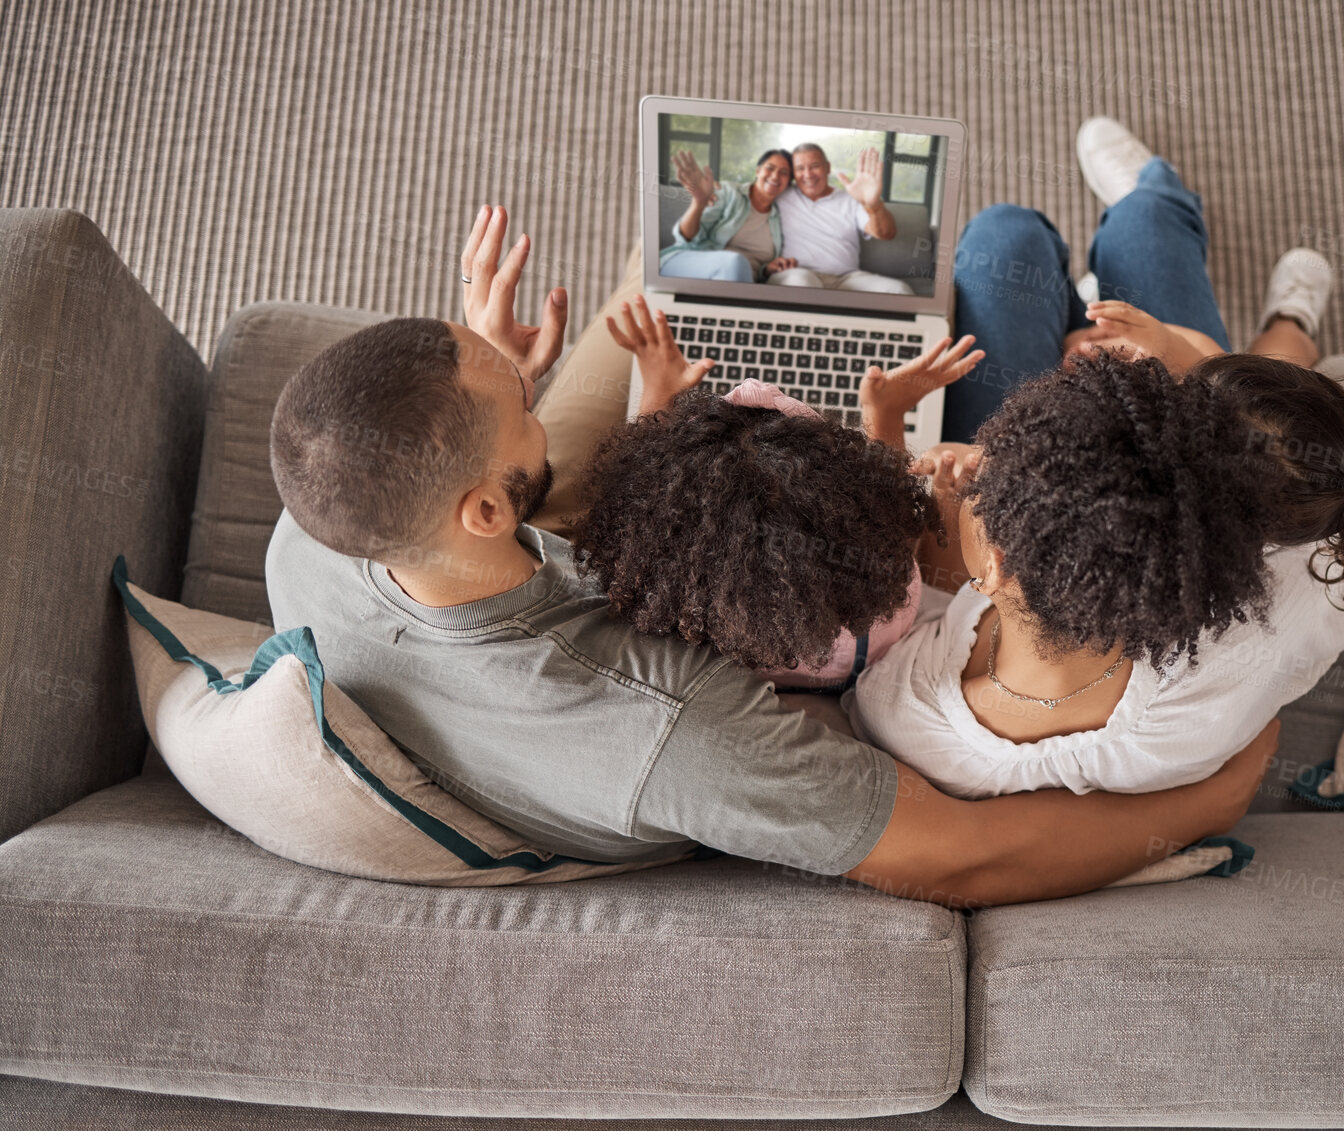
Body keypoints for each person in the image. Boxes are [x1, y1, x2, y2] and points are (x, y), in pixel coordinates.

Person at [260, 202, 1278, 909]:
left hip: (592, 538)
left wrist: (489, 368)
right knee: (1009, 251)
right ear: (488, 509)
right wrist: (1221, 790)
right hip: (673, 614)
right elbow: (970, 860)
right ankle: (1259, 318)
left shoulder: (314, 525)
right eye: (521, 408)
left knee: (675, 269)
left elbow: (413, 459)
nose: (535, 386)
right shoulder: (674, 728)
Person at [848, 349, 1344, 799]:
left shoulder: (905, 716)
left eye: (981, 491)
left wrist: (885, 426)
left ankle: (1285, 327)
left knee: (1012, 236)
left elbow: (927, 581)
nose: (972, 466)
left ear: (995, 570)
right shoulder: (1324, 570)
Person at [574, 295, 984, 692]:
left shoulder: (681, 616)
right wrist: (886, 412)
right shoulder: (880, 595)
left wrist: (658, 395)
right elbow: (894, 530)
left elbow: (650, 506)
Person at [939, 116, 1336, 443]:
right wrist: (1157, 347)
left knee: (1006, 233)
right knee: (1147, 220)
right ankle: (1291, 319)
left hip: (1026, 459)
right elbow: (1220, 383)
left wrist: (1075, 382)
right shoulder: (1237, 449)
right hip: (1166, 420)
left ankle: (1141, 215)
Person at [767, 143, 914, 294]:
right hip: (796, 274)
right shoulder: (780, 196)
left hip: (847, 279)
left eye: (814, 166)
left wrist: (873, 204)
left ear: (827, 167)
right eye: (800, 168)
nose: (808, 174)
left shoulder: (850, 199)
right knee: (803, 283)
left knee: (900, 290)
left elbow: (886, 233)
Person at [659, 149, 798, 282]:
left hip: (739, 282)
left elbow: (756, 270)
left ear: (788, 183)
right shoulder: (729, 192)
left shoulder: (779, 218)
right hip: (690, 261)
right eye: (770, 168)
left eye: (784, 172)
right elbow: (687, 238)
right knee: (735, 262)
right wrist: (699, 203)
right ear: (758, 171)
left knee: (738, 267)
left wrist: (766, 270)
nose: (775, 176)